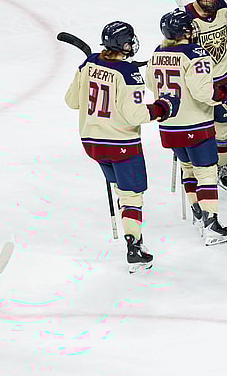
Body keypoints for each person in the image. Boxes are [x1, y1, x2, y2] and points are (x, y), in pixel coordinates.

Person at [64, 21, 180, 272]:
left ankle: (132, 235)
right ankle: (134, 246)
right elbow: (136, 115)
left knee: (121, 190)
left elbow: (72, 101)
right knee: (132, 196)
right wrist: (163, 107)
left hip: (92, 144)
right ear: (125, 45)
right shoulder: (128, 74)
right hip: (121, 144)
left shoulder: (88, 64)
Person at [147, 9, 227, 246]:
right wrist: (224, 93)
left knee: (188, 169)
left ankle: (198, 212)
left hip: (169, 126)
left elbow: (149, 81)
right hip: (195, 123)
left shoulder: (157, 52)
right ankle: (211, 225)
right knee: (206, 172)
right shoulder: (195, 53)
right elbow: (202, 92)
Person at [185, 0, 227, 193]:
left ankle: (222, 167)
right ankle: (200, 169)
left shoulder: (223, 9)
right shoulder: (185, 16)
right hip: (198, 85)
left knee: (224, 127)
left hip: (223, 78)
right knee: (200, 129)